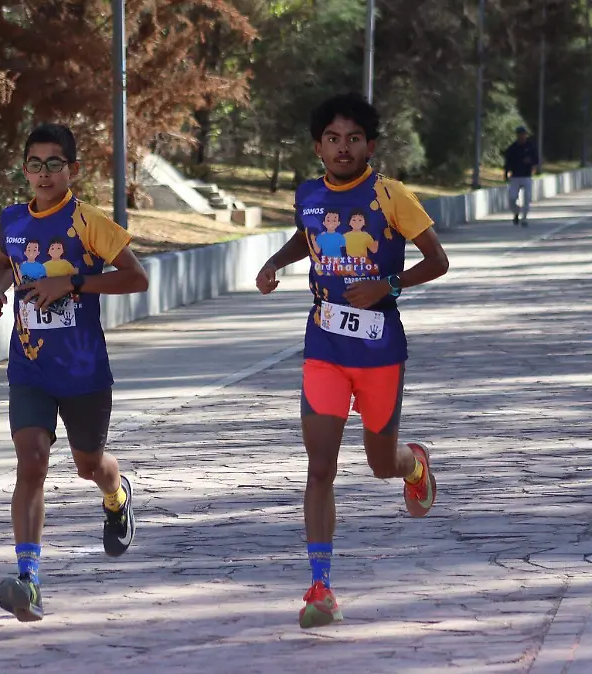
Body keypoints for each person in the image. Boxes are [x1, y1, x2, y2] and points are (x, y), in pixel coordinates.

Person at [255, 92, 449, 629]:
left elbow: (438, 260)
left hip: (381, 349)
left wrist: (387, 283)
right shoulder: (309, 194)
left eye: (354, 138)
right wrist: (275, 261)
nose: (343, 148)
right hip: (324, 348)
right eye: (333, 139)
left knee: (380, 464)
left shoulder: (391, 195)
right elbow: (308, 236)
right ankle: (321, 588)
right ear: (318, 146)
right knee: (320, 467)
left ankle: (413, 464)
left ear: (371, 144)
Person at [0, 123, 149, 622]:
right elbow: (5, 262)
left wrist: (72, 282)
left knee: (88, 465)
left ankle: (116, 495)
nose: (44, 173)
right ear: (25, 170)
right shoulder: (12, 220)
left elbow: (137, 278)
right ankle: (29, 579)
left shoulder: (87, 221)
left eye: (55, 164)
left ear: (73, 170)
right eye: (35, 163)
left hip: (83, 371)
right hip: (29, 366)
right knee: (30, 462)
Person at [503, 126, 540, 227]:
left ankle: (524, 218)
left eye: (523, 134)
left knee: (527, 198)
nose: (521, 136)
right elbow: (507, 162)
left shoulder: (530, 147)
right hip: (515, 176)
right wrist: (506, 174)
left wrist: (532, 164)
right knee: (511, 198)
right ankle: (516, 212)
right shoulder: (512, 148)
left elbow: (536, 160)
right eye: (519, 134)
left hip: (527, 176)